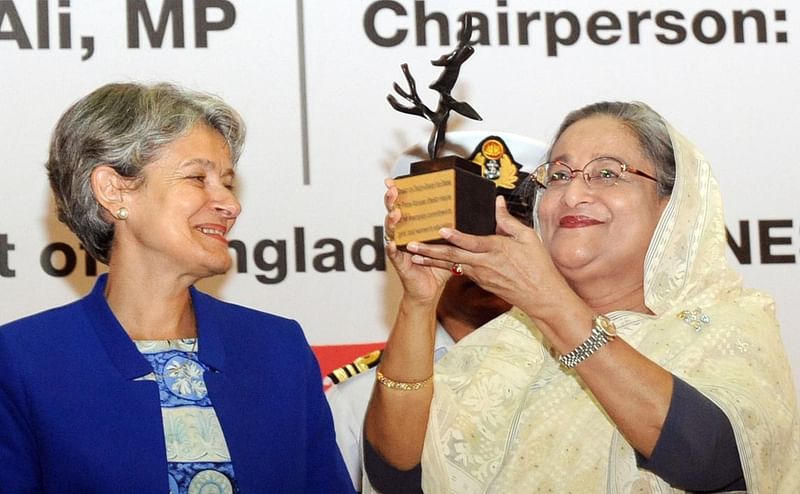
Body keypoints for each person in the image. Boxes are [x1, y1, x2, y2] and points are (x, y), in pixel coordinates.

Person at [365, 101, 800, 492]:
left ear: (673, 205)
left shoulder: (725, 323)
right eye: (558, 175)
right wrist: (419, 304)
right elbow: (398, 473)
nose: (573, 194)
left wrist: (552, 304)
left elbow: (711, 459)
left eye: (608, 173)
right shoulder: (503, 346)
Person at [0, 82, 354, 493]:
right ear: (114, 190)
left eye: (227, 182)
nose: (230, 205)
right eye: (197, 178)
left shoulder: (278, 348)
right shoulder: (22, 361)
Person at [326, 132, 546, 492]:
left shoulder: (574, 376)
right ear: (418, 245)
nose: (480, 253)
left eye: (503, 233)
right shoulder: (361, 396)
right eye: (461, 234)